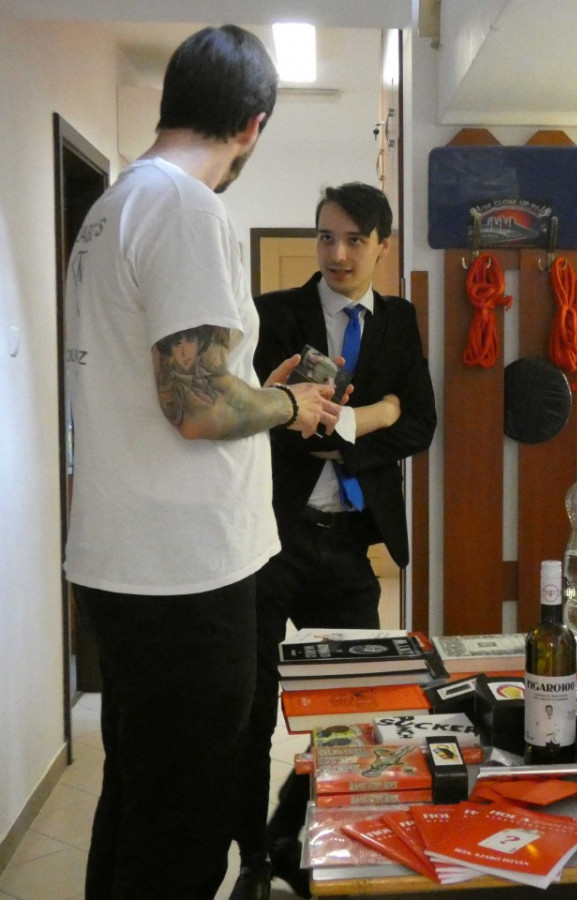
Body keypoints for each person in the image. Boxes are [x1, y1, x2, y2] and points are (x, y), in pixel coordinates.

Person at [63, 26, 342, 900]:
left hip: (127, 561)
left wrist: (259, 387)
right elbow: (196, 405)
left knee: (137, 800)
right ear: (252, 125)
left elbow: (182, 383)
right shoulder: (186, 208)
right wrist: (290, 406)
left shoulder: (114, 204)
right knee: (184, 826)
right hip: (183, 575)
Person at [230, 182, 437, 899]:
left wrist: (351, 429)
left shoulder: (399, 320)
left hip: (349, 544)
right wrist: (376, 412)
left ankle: (331, 844)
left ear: (382, 246)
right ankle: (254, 861)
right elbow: (251, 418)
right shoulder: (272, 314)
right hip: (269, 538)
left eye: (354, 239)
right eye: (326, 237)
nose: (338, 253)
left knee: (355, 709)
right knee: (251, 711)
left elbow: (421, 423)